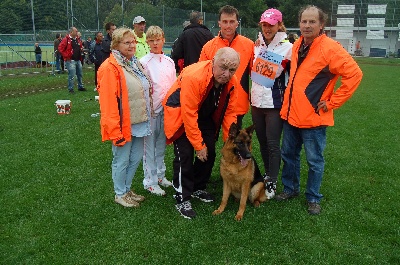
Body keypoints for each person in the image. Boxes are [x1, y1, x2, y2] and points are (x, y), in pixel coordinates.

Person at [276, 5, 363, 215]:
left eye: (312, 22)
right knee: (289, 155)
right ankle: (290, 189)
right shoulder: (298, 44)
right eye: (304, 21)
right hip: (292, 115)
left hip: (314, 118)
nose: (307, 25)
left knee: (314, 161)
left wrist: (332, 102)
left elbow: (355, 74)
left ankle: (313, 197)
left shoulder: (330, 48)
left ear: (321, 24)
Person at [163, 47, 240, 219]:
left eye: (232, 70)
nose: (226, 74)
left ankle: (198, 186)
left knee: (210, 152)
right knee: (185, 155)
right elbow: (188, 113)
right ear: (213, 62)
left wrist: (231, 143)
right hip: (181, 114)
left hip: (203, 116)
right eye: (223, 67)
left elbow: (230, 113)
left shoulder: (232, 82)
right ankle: (182, 196)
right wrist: (199, 146)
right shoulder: (194, 76)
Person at [97, 27, 152, 208]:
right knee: (121, 159)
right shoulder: (109, 68)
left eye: (133, 41)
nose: (131, 45)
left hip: (138, 120)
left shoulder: (134, 63)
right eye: (126, 42)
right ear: (116, 45)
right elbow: (108, 103)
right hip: (122, 124)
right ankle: (119, 193)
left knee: (135, 158)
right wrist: (115, 130)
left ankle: (127, 190)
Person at [250, 8, 292, 199]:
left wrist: (266, 63)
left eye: (271, 25)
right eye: (265, 25)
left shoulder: (288, 47)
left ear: (279, 25)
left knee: (273, 144)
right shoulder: (257, 45)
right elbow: (258, 74)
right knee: (263, 143)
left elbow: (268, 74)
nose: (267, 28)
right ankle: (267, 174)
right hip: (256, 102)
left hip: (274, 104)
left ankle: (273, 181)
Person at [199, 5, 254, 129]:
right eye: (225, 22)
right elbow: (202, 76)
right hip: (212, 103)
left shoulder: (249, 45)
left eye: (231, 22)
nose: (228, 26)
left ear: (237, 23)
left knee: (233, 144)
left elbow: (256, 75)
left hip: (237, 104)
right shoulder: (208, 46)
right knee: (208, 141)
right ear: (219, 23)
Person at [140, 26, 177, 196]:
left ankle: (160, 175)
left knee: (161, 145)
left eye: (158, 39)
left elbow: (173, 85)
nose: (155, 43)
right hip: (151, 111)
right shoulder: (143, 62)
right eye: (151, 40)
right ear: (147, 42)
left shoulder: (169, 61)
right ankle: (150, 181)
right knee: (149, 147)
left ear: (163, 39)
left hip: (167, 110)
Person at [58, 27, 85, 93]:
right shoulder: (66, 39)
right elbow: (60, 48)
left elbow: (80, 46)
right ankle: (71, 88)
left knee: (80, 74)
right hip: (70, 60)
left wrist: (81, 49)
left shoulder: (77, 39)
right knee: (72, 75)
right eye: (76, 31)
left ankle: (80, 86)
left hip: (78, 59)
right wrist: (66, 55)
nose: (77, 32)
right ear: (71, 32)